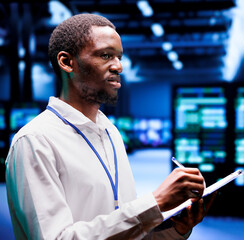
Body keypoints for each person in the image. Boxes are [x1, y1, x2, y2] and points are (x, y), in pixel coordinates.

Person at [5, 13, 216, 240]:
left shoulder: (110, 132)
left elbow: (124, 231)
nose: (119, 67)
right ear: (67, 62)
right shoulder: (35, 141)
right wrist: (154, 203)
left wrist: (177, 230)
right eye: (105, 55)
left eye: (119, 57)